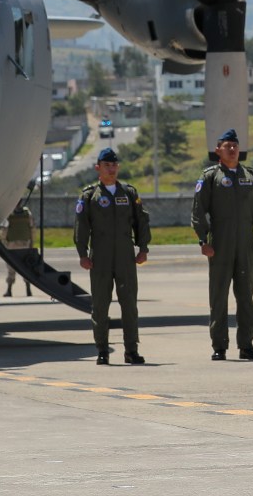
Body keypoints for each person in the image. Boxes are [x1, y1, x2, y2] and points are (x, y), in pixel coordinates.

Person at [191, 128, 253, 361]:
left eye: (235, 145)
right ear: (218, 150)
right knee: (218, 297)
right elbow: (198, 211)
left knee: (246, 296)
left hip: (245, 244)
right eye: (227, 146)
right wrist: (202, 240)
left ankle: (246, 345)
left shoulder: (250, 176)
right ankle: (219, 346)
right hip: (219, 244)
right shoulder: (210, 177)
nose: (232, 149)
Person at [75, 147, 151, 365]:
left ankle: (131, 350)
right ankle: (102, 350)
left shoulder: (128, 193)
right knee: (100, 305)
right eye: (107, 165)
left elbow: (141, 221)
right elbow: (81, 226)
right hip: (100, 256)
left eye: (114, 165)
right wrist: (82, 253)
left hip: (125, 256)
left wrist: (143, 247)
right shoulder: (89, 195)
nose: (111, 169)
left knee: (129, 304)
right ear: (98, 167)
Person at [2, 203, 34, 298]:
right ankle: (28, 290)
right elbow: (32, 228)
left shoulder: (9, 214)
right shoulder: (27, 213)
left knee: (11, 267)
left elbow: (4, 230)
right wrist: (31, 242)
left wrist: (4, 242)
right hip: (24, 243)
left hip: (12, 244)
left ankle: (9, 290)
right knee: (25, 267)